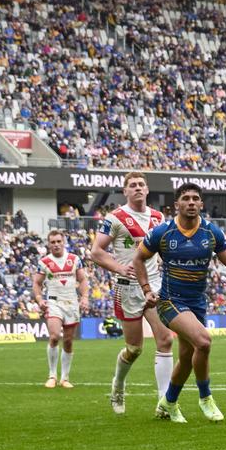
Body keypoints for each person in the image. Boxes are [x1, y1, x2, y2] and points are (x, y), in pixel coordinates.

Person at [134, 182, 226, 424]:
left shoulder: (211, 233)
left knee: (186, 357)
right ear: (177, 204)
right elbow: (139, 258)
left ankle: (168, 403)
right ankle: (206, 398)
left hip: (197, 303)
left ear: (201, 204)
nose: (191, 202)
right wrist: (146, 290)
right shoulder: (163, 232)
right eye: (186, 198)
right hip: (170, 301)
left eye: (195, 198)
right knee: (203, 342)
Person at [91, 171, 173, 415]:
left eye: (141, 184)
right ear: (124, 191)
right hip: (127, 289)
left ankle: (164, 403)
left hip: (154, 285)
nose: (138, 188)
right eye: (132, 185)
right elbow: (96, 251)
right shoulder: (115, 218)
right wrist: (118, 268)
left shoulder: (158, 217)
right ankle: (118, 384)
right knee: (134, 348)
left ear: (147, 190)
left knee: (166, 340)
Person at [32, 230, 90, 389]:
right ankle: (52, 375)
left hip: (71, 303)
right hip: (53, 303)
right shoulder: (44, 262)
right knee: (55, 336)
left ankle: (65, 378)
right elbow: (37, 283)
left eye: (59, 241)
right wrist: (39, 299)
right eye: (53, 242)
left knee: (69, 341)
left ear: (63, 242)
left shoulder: (74, 259)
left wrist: (84, 298)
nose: (56, 244)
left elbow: (83, 279)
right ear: (49, 244)